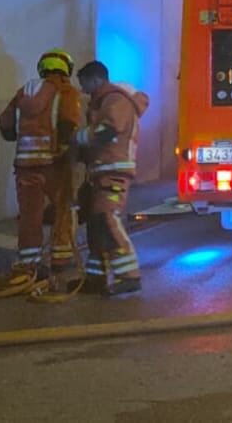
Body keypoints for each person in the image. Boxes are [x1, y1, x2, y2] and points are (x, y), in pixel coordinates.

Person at [0, 49, 82, 278]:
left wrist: (20, 137)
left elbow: (5, 123)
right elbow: (68, 122)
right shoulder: (66, 92)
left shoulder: (23, 92)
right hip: (54, 162)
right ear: (66, 70)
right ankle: (61, 258)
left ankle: (29, 262)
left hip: (25, 164)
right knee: (65, 208)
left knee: (29, 214)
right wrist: (68, 149)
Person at [75, 61, 150, 295]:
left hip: (113, 171)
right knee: (96, 224)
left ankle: (129, 275)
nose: (81, 87)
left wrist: (77, 138)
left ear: (96, 79)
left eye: (84, 82)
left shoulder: (115, 100)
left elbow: (107, 131)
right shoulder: (102, 102)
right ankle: (95, 277)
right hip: (101, 171)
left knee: (107, 219)